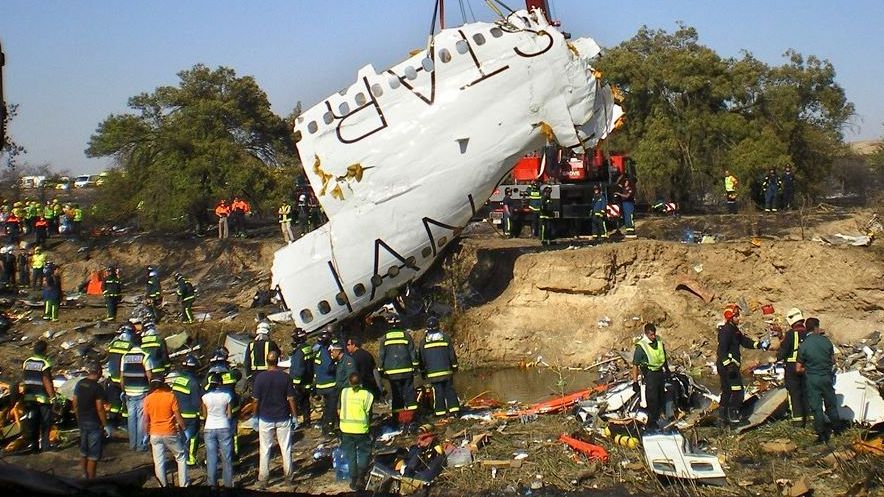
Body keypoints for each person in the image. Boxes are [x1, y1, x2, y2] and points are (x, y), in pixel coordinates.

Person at [716, 304, 769, 426]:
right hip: (728, 367)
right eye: (736, 316)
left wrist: (759, 345)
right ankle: (734, 417)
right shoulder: (725, 331)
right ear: (730, 317)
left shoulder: (734, 330)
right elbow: (721, 351)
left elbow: (744, 341)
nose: (739, 318)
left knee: (727, 391)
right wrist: (728, 365)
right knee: (737, 391)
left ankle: (722, 418)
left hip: (729, 366)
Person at [252, 350, 298, 485]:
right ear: (278, 361)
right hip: (283, 417)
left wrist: (255, 416)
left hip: (265, 418)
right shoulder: (286, 377)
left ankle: (263, 478)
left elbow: (255, 400)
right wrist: (295, 416)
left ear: (267, 361)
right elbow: (291, 398)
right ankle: (288, 477)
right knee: (286, 448)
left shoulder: (260, 378)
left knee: (265, 449)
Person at [797, 318, 844, 444]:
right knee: (831, 404)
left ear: (807, 329)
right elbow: (833, 360)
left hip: (812, 379)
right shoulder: (826, 341)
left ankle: (822, 435)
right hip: (826, 377)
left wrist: (809, 368)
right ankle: (838, 430)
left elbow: (798, 368)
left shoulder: (804, 345)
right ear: (817, 327)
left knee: (816, 407)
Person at [144, 375, 189, 487]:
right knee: (181, 456)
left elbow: (145, 420)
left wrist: (146, 433)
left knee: (159, 462)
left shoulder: (147, 399)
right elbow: (177, 416)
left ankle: (162, 485)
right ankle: (184, 484)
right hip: (169, 431)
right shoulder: (170, 396)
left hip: (154, 433)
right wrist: (184, 429)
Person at [378, 317, 418, 427]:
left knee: (396, 395)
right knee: (409, 394)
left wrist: (380, 370)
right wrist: (415, 366)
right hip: (407, 371)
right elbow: (412, 353)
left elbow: (381, 356)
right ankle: (413, 418)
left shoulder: (384, 338)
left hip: (392, 373)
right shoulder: (406, 336)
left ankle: (397, 419)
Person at [418, 317, 460, 417]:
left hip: (433, 374)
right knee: (450, 390)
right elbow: (452, 355)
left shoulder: (424, 342)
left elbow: (421, 359)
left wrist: (423, 372)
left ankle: (440, 413)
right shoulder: (445, 338)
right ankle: (455, 411)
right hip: (447, 372)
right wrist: (454, 367)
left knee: (438, 392)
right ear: (438, 326)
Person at [339, 372, 374, 491]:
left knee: (351, 455)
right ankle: (361, 477)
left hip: (346, 429)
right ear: (361, 382)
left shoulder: (344, 392)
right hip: (361, 429)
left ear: (349, 382)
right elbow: (368, 411)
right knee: (364, 453)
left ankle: (353, 479)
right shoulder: (368, 395)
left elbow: (340, 408)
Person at [632, 323, 669, 431]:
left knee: (661, 396)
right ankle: (651, 424)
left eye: (654, 334)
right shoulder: (641, 346)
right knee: (652, 399)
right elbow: (635, 365)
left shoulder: (658, 341)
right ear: (646, 334)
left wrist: (667, 370)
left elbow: (663, 356)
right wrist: (635, 382)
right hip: (649, 374)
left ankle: (659, 419)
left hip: (659, 373)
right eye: (651, 335)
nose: (653, 337)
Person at [72, 362, 107, 479]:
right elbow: (100, 408)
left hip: (82, 421)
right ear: (98, 372)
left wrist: (78, 417)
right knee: (93, 454)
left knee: (84, 451)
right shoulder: (97, 387)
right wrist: (104, 424)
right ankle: (91, 481)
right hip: (94, 422)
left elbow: (75, 402)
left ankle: (84, 475)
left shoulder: (80, 383)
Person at [206, 347, 242, 460]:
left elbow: (203, 391)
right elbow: (238, 374)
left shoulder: (209, 377)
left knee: (214, 437)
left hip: (215, 412)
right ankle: (234, 458)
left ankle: (212, 459)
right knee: (232, 435)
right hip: (232, 410)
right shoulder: (231, 374)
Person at [21, 340, 56, 452]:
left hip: (29, 397)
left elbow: (25, 378)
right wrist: (53, 397)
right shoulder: (44, 363)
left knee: (33, 422)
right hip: (43, 397)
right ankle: (45, 446)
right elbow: (46, 381)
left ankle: (34, 446)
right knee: (45, 422)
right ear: (44, 350)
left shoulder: (27, 362)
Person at [121, 333, 154, 451]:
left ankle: (132, 444)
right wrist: (152, 389)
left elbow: (122, 376)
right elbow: (150, 376)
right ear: (141, 343)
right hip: (142, 391)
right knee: (141, 419)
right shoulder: (145, 356)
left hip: (129, 392)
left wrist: (123, 390)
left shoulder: (125, 356)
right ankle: (141, 445)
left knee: (131, 418)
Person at [170, 354, 203, 466]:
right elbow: (197, 402)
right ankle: (191, 460)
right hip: (191, 415)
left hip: (178, 414)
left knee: (181, 437)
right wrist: (201, 415)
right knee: (193, 437)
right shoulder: (193, 383)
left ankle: (181, 458)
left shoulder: (177, 380)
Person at [202, 373, 234, 488]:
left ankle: (212, 485)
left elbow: (205, 415)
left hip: (209, 427)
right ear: (220, 383)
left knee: (211, 458)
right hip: (224, 426)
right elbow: (229, 415)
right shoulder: (227, 396)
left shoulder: (205, 397)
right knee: (227, 457)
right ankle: (228, 485)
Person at [778, 308, 809, 425]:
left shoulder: (790, 334)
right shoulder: (808, 333)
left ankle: (798, 420)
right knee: (806, 392)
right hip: (806, 367)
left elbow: (784, 350)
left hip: (791, 367)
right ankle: (811, 418)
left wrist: (777, 357)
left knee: (794, 393)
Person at [105, 324, 133, 431]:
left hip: (113, 379)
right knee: (126, 403)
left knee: (114, 403)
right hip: (124, 379)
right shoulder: (130, 345)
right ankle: (125, 424)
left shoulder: (114, 344)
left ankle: (112, 423)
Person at [289, 328, 315, 428]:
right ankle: (307, 421)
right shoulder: (308, 348)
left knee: (296, 402)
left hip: (299, 383)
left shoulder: (300, 351)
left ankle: (295, 423)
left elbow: (298, 367)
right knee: (306, 402)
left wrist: (295, 383)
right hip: (308, 380)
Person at [314, 333, 338, 436]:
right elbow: (329, 367)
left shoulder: (318, 352)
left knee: (327, 407)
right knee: (331, 408)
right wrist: (337, 366)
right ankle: (329, 429)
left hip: (321, 385)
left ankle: (327, 426)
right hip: (329, 385)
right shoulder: (325, 353)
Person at [346, 336, 384, 403]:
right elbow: (374, 367)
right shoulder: (368, 354)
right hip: (371, 384)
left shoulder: (353, 358)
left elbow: (352, 372)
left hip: (360, 385)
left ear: (354, 345)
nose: (347, 347)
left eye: (348, 345)